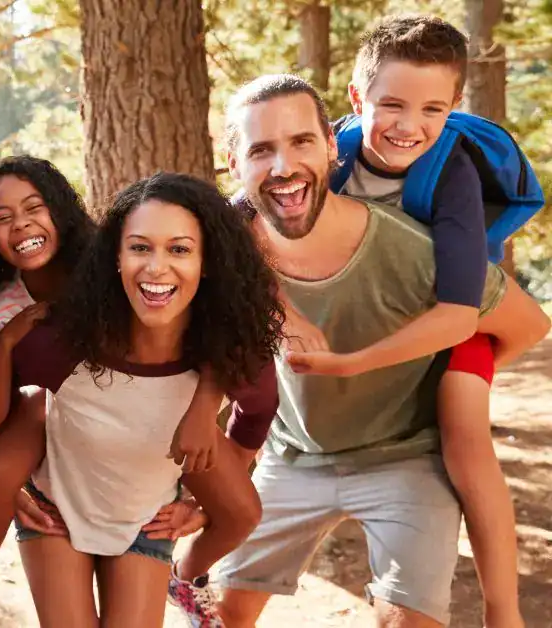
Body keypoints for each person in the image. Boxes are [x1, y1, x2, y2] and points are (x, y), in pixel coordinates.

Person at [214, 74, 550, 628]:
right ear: (234, 165)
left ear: (329, 145)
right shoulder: (224, 246)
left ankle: (503, 611)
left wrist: (451, 371)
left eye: (300, 142)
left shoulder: (417, 239)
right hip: (294, 452)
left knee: (409, 616)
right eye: (260, 150)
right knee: (217, 611)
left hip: (405, 453)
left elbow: (525, 324)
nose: (281, 166)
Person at [0, 158, 272, 628]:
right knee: (29, 416)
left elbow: (256, 400)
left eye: (179, 250)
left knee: (241, 510)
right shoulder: (50, 327)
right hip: (64, 490)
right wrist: (15, 479)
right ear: (114, 257)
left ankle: (186, 578)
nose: (157, 267)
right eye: (140, 248)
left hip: (142, 504)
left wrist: (206, 412)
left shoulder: (221, 336)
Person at [282, 16, 537, 625]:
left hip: (457, 320)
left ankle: (504, 609)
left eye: (432, 108)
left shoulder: (452, 175)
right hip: (375, 313)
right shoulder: (329, 156)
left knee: (464, 434)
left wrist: (354, 364)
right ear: (355, 98)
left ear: (453, 106)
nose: (408, 125)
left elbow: (457, 311)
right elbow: (244, 210)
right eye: (390, 103)